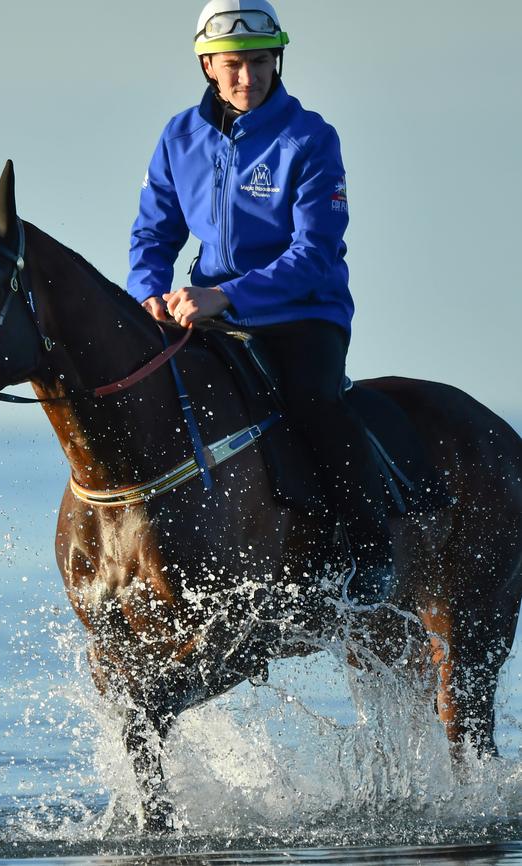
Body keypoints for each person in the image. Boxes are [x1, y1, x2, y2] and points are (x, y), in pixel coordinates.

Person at [126, 0, 392, 605]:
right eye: (232, 65)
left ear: (277, 59)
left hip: (302, 315)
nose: (247, 78)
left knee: (314, 402)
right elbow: (153, 235)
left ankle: (371, 550)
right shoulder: (178, 137)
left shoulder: (311, 138)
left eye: (259, 62)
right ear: (207, 66)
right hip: (207, 314)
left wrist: (226, 295)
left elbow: (314, 254)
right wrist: (147, 293)